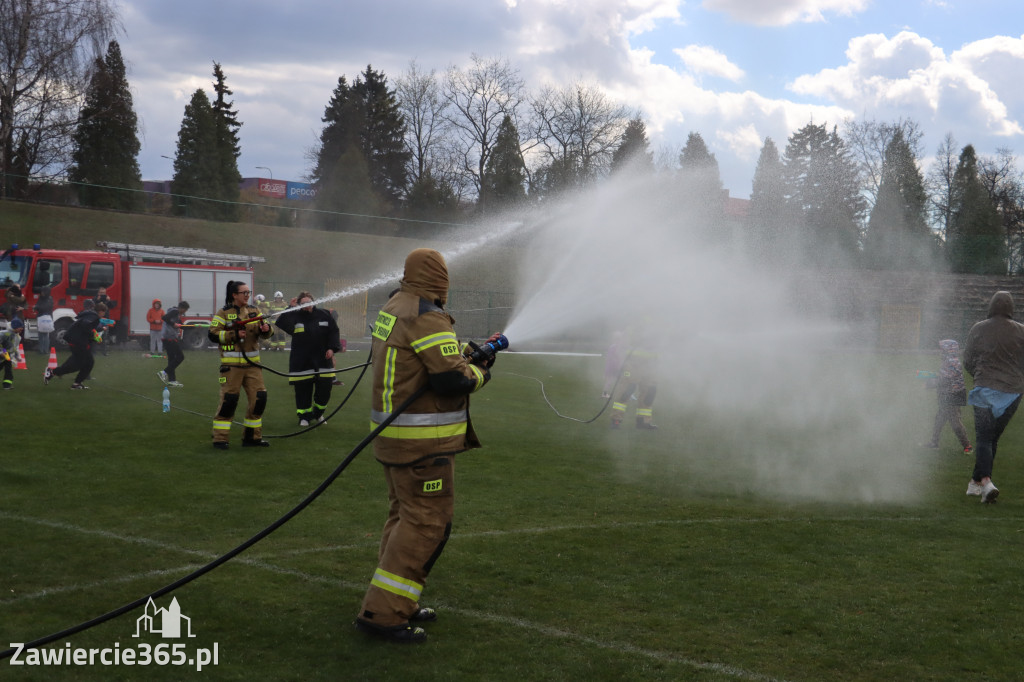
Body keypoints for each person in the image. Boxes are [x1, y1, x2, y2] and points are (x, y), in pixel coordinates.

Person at [355, 248, 498, 644]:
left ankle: (397, 598)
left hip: (394, 439)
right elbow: (452, 381)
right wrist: (480, 371)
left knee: (403, 518)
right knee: (426, 524)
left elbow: (423, 363)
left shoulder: (396, 306)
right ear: (439, 278)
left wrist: (458, 360)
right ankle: (384, 614)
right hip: (422, 445)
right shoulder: (427, 315)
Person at [962, 291, 1024, 503]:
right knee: (991, 438)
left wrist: (979, 376)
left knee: (985, 438)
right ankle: (974, 483)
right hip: (1013, 393)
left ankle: (986, 482)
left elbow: (967, 360)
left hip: (984, 390)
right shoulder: (1021, 331)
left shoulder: (978, 328)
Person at [208, 281, 274, 450]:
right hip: (232, 368)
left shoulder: (254, 310)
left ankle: (252, 438)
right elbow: (213, 334)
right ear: (234, 295)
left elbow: (265, 333)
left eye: (248, 292)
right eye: (243, 292)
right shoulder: (223, 312)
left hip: (253, 366)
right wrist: (234, 334)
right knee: (229, 401)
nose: (247, 295)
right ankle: (220, 439)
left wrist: (266, 329)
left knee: (259, 400)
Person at [274, 291, 342, 426]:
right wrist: (290, 308)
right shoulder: (295, 315)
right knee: (302, 391)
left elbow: (334, 332)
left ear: (314, 302)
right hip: (302, 361)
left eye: (309, 302)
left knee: (325, 390)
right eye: (303, 303)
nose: (307, 305)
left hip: (323, 360)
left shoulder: (325, 314)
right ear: (299, 304)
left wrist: (331, 348)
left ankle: (318, 414)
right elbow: (281, 323)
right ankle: (304, 417)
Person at [922, 339, 972, 454]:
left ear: (948, 350)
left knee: (955, 422)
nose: (941, 351)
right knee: (940, 418)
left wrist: (929, 384)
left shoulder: (952, 362)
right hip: (947, 394)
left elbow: (945, 380)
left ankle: (967, 446)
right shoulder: (948, 361)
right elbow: (943, 376)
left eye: (942, 349)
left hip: (952, 395)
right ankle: (934, 442)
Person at [609, 319, 659, 429]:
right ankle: (616, 419)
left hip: (650, 365)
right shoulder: (634, 327)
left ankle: (643, 421)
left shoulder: (659, 326)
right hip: (633, 364)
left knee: (649, 393)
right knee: (626, 391)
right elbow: (623, 345)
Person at [44, 298, 103, 390]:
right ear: (101, 312)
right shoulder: (93, 316)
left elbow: (87, 327)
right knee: (79, 364)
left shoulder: (90, 315)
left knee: (87, 362)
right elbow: (86, 326)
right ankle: (53, 372)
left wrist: (95, 332)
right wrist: (95, 332)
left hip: (75, 340)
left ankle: (76, 383)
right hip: (78, 342)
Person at [158, 301, 190, 388]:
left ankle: (172, 381)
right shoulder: (175, 311)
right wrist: (173, 324)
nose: (184, 312)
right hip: (170, 338)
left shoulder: (175, 314)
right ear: (182, 308)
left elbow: (181, 326)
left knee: (171, 359)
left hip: (167, 338)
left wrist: (194, 327)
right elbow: (164, 317)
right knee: (180, 357)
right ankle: (164, 372)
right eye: (185, 310)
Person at [0, 317, 23, 389]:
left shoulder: (18, 337)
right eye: (20, 327)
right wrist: (1, 352)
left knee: (8, 370)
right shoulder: (3, 334)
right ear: (15, 327)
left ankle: (7, 385)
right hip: (3, 353)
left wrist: (17, 356)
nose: (21, 329)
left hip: (7, 355)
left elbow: (15, 347)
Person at [33, 285, 55, 354]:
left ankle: (43, 350)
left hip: (43, 318)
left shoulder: (47, 299)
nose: (41, 293)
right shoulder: (49, 299)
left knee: (43, 335)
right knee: (43, 335)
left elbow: (43, 307)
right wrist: (36, 307)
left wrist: (36, 307)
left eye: (43, 291)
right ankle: (43, 350)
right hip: (45, 318)